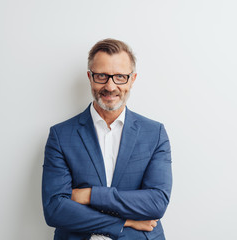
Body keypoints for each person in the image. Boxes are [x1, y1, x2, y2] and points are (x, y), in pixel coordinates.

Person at [42, 38, 172, 240]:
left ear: (132, 79)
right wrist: (125, 221)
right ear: (90, 77)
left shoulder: (154, 133)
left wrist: (89, 195)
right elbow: (55, 210)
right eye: (101, 76)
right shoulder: (60, 135)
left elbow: (156, 203)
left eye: (120, 76)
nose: (110, 86)